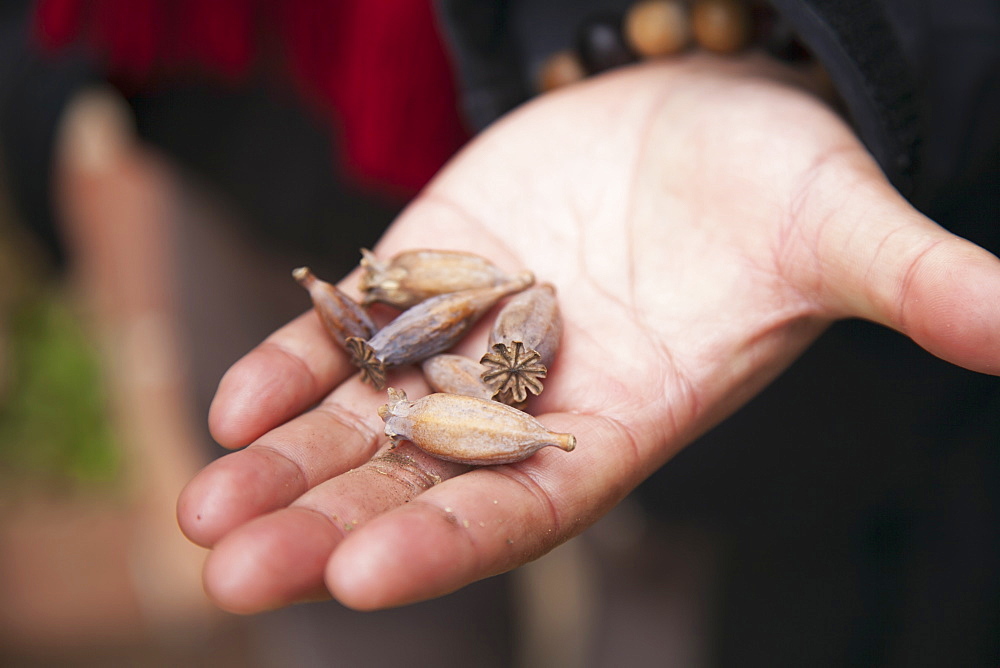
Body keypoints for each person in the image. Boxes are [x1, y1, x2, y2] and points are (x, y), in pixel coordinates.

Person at [6, 0, 998, 664]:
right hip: (239, 109)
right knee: (346, 593)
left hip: (698, 213)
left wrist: (806, 39)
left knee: (690, 587)